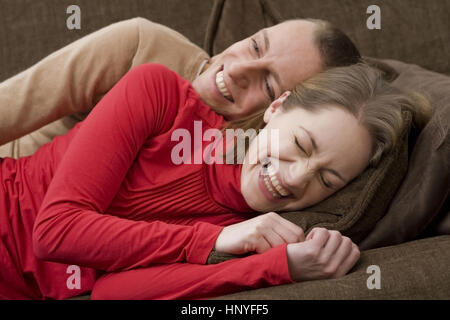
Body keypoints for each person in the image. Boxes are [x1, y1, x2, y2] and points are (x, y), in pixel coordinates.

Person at [0, 62, 430, 300]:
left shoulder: (249, 232)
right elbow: (55, 232)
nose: (294, 177)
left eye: (328, 179)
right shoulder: (162, 97)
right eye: (300, 143)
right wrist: (210, 242)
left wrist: (273, 266)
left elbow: (112, 293)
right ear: (277, 108)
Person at [0, 18, 360, 158]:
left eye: (267, 84)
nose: (237, 69)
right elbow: (8, 107)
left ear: (279, 109)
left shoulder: (247, 161)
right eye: (255, 45)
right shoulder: (140, 46)